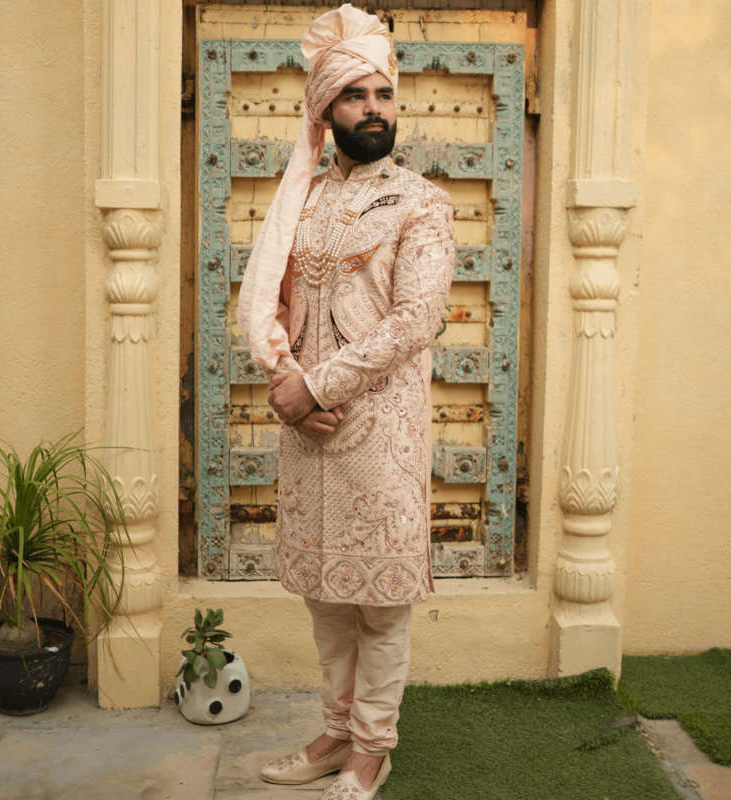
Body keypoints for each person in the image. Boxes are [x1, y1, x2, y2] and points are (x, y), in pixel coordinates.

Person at [237, 5, 455, 798]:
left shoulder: (421, 205)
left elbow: (417, 320)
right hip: (308, 435)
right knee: (328, 600)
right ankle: (334, 733)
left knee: (382, 607)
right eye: (356, 95)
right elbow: (274, 308)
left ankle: (372, 747)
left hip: (381, 434)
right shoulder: (300, 203)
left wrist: (317, 385)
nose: (374, 108)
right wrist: (285, 392)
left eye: (383, 94)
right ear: (326, 111)